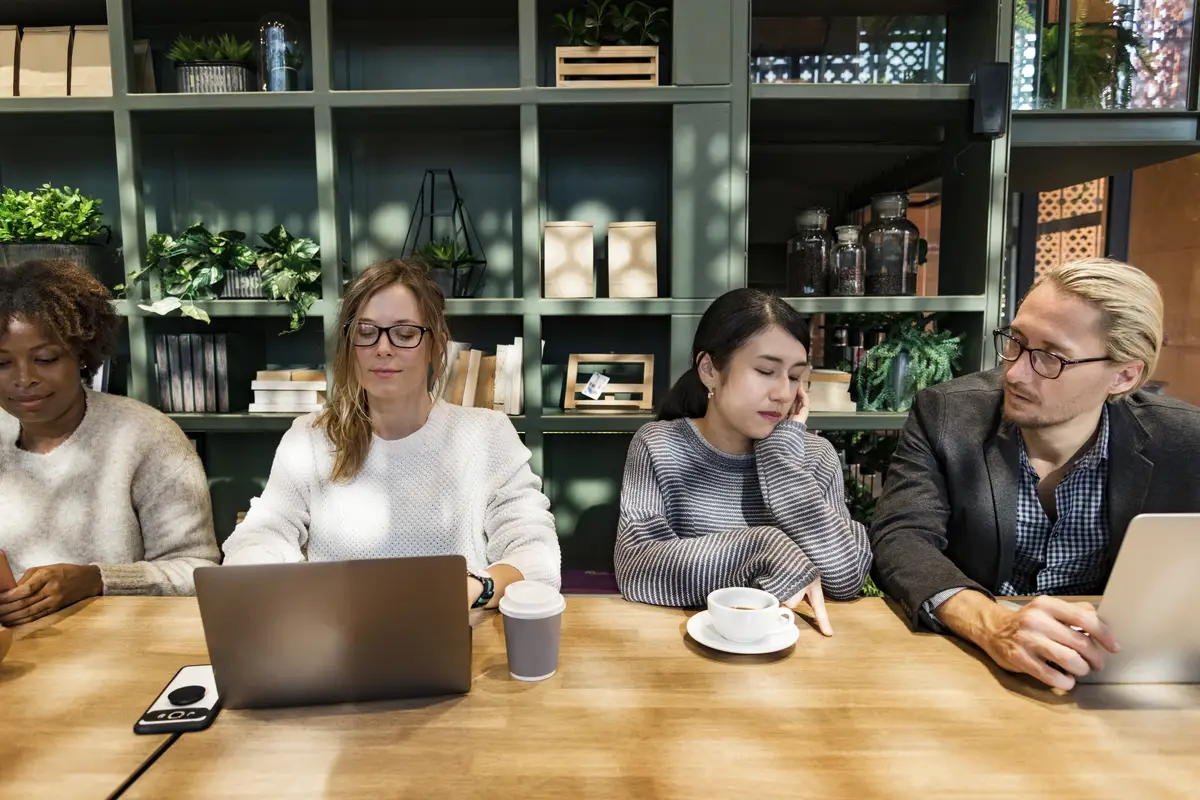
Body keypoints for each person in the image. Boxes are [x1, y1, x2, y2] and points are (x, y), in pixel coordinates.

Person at [870, 257, 1200, 690]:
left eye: (1051, 357)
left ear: (1123, 375)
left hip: (1121, 671)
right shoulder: (948, 414)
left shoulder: (1184, 441)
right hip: (973, 666)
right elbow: (901, 537)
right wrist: (989, 623)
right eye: (1017, 341)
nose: (1016, 371)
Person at [221, 258, 561, 608]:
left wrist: (479, 588)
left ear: (436, 345)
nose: (383, 348)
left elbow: (536, 554)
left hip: (458, 638)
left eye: (404, 333)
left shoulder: (486, 435)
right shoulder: (309, 437)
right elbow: (260, 534)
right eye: (367, 332)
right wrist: (259, 573)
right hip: (336, 643)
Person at [613, 288, 872, 635]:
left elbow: (846, 577)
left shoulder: (813, 457)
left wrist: (779, 457)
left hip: (793, 656)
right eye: (766, 371)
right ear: (709, 370)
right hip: (687, 653)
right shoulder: (661, 446)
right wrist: (764, 548)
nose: (782, 392)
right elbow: (637, 567)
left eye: (794, 376)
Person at [0, 259, 219, 626]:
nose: (25, 379)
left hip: (123, 652)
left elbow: (196, 571)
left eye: (45, 359)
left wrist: (96, 579)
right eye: (1, 363)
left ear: (81, 356)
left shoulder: (146, 436)